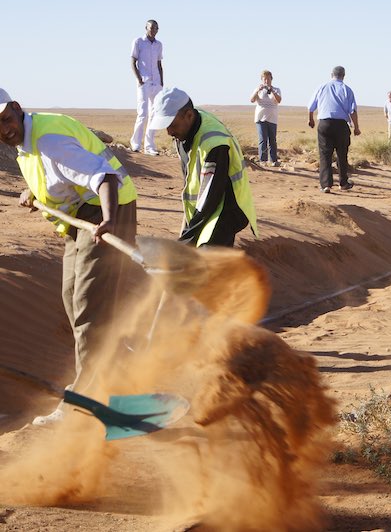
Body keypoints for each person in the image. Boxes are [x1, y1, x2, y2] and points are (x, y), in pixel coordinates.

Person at [0, 88, 138, 424]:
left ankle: (84, 403)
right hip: (83, 217)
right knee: (73, 298)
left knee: (89, 305)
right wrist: (32, 192)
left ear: (17, 109)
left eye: (5, 119)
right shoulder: (25, 144)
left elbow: (103, 176)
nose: (4, 129)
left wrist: (107, 218)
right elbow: (57, 177)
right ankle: (120, 376)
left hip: (105, 210)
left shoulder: (49, 140)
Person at [148, 87, 259, 247]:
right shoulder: (185, 129)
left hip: (229, 208)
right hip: (207, 205)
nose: (168, 132)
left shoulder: (214, 145)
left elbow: (210, 198)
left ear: (189, 115)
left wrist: (184, 244)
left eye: (172, 125)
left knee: (205, 254)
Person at [308, 66, 361, 193]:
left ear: (331, 74)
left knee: (325, 154)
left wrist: (311, 119)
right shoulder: (347, 90)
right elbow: (352, 110)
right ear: (344, 75)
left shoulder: (321, 87)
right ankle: (343, 183)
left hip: (325, 123)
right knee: (342, 154)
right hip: (341, 125)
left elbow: (311, 106)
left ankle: (326, 184)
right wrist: (356, 127)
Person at [130, 19, 164, 156]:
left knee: (154, 115)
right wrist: (139, 79)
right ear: (146, 28)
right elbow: (133, 61)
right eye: (151, 28)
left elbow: (159, 64)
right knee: (142, 114)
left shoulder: (159, 45)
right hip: (144, 82)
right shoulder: (138, 42)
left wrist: (161, 82)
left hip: (156, 83)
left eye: (156, 28)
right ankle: (136, 144)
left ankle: (149, 146)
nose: (153, 30)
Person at [250, 70, 282, 167]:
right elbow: (252, 100)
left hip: (272, 118)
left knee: (272, 140)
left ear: (271, 79)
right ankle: (262, 160)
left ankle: (273, 160)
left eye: (268, 79)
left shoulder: (276, 89)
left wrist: (271, 90)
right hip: (260, 118)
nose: (266, 81)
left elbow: (279, 100)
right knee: (262, 139)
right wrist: (257, 91)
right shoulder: (258, 89)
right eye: (264, 79)